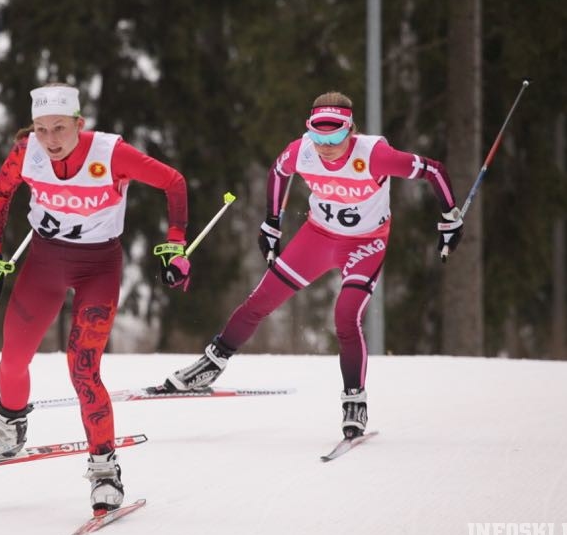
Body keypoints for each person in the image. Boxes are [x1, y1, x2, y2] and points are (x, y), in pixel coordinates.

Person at [161, 91, 463, 439]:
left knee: (346, 316)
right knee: (259, 301)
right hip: (317, 238)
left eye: (334, 134)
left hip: (365, 244)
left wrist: (449, 219)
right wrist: (271, 223)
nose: (325, 144)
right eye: (317, 133)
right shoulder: (302, 150)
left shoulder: (374, 155)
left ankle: (355, 401)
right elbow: (278, 170)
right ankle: (211, 364)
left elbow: (433, 170)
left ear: (351, 130)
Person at [0, 83, 190, 514]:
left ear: (80, 124)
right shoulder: (27, 152)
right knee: (12, 356)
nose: (50, 140)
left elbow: (173, 182)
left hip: (98, 267)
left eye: (60, 128)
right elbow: (0, 194)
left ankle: (104, 470)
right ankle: (8, 433)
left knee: (83, 369)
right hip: (44, 262)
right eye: (41, 129)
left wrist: (176, 244)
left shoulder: (110, 153)